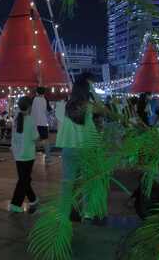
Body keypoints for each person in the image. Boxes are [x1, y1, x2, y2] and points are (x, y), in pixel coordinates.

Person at [55, 74, 100, 219]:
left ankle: (63, 211)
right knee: (88, 181)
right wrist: (93, 91)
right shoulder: (89, 106)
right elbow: (102, 107)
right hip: (86, 147)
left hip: (69, 147)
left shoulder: (64, 106)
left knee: (67, 181)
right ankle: (87, 212)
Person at [9, 96, 39, 214]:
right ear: (29, 107)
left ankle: (33, 199)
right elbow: (35, 137)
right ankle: (15, 204)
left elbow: (14, 138)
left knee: (24, 179)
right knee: (24, 180)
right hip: (28, 154)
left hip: (18, 154)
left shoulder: (16, 120)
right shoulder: (30, 120)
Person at [32, 87, 53, 164]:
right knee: (45, 141)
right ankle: (49, 159)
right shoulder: (45, 100)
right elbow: (50, 111)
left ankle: (31, 157)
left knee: (33, 141)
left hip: (35, 123)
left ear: (37, 92)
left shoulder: (34, 99)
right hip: (43, 123)